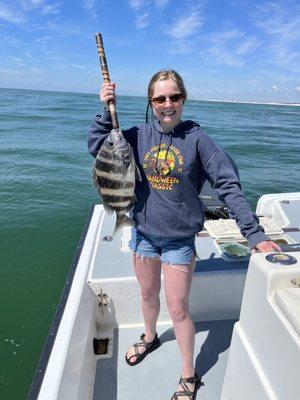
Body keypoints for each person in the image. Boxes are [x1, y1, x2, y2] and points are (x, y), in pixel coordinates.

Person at [87, 70, 281, 400]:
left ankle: (189, 374)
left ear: (183, 99)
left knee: (177, 309)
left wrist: (254, 234)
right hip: (143, 234)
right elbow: (97, 148)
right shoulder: (137, 135)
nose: (167, 104)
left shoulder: (198, 140)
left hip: (179, 240)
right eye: (160, 98)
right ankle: (149, 337)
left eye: (174, 97)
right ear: (151, 102)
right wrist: (106, 111)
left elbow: (228, 187)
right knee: (148, 296)